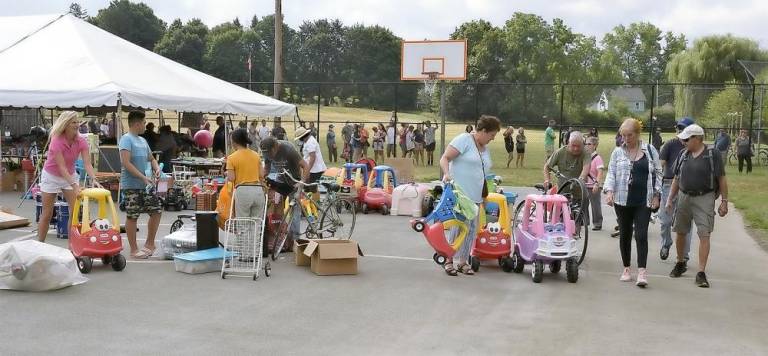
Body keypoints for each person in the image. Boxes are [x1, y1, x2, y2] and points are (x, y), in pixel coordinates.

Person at [666, 124, 729, 288]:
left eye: (687, 139)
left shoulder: (712, 154)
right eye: (683, 139)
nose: (684, 142)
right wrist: (669, 199)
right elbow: (676, 178)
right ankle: (680, 262)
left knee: (704, 234)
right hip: (684, 196)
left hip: (705, 197)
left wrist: (724, 201)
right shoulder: (683, 154)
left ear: (697, 139)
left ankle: (701, 272)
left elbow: (721, 179)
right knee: (680, 231)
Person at [439, 115, 501, 276]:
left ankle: (463, 261)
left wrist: (485, 198)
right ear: (483, 131)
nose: (492, 139)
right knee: (457, 226)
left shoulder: (485, 149)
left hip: (476, 197)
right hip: (459, 194)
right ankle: (448, 260)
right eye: (492, 135)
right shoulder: (464, 140)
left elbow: (482, 174)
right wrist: (446, 174)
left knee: (470, 229)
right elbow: (445, 158)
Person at [604, 118, 662, 288]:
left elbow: (659, 174)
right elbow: (611, 174)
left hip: (644, 200)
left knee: (641, 234)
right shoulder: (617, 152)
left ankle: (642, 271)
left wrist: (657, 195)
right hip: (622, 200)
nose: (626, 139)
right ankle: (626, 268)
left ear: (637, 134)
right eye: (623, 135)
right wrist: (609, 191)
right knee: (625, 234)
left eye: (629, 135)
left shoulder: (650, 151)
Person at [36, 111, 101, 243]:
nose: (77, 125)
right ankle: (39, 244)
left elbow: (88, 163)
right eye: (73, 122)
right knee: (47, 214)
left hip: (70, 175)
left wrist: (94, 178)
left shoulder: (81, 141)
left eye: (77, 122)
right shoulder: (56, 141)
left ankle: (73, 246)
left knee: (76, 211)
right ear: (65, 124)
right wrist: (75, 186)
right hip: (51, 176)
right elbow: (61, 167)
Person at [119, 111, 163, 259]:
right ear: (137, 124)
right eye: (144, 123)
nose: (145, 125)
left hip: (147, 184)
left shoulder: (143, 141)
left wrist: (156, 168)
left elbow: (151, 159)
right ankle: (134, 249)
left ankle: (150, 244)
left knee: (156, 210)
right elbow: (126, 163)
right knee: (132, 216)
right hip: (131, 184)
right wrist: (142, 177)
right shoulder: (126, 139)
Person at [261, 137, 311, 248]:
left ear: (275, 147)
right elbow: (267, 168)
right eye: (266, 154)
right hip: (281, 180)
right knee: (275, 207)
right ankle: (279, 237)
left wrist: (301, 183)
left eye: (270, 153)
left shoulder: (288, 149)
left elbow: (306, 166)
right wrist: (261, 177)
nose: (268, 155)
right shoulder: (266, 152)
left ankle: (295, 241)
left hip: (295, 182)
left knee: (295, 211)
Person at [658, 118, 694, 261]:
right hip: (668, 184)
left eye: (683, 128)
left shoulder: (695, 148)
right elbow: (660, 165)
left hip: (687, 187)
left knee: (686, 224)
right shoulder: (670, 145)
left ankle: (684, 254)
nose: (680, 130)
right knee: (665, 221)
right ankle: (666, 243)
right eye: (679, 128)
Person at [225, 128, 263, 218]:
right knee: (256, 223)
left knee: (242, 223)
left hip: (243, 191)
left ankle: (243, 233)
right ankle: (256, 233)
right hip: (258, 190)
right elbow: (261, 174)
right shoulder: (256, 155)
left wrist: (227, 173)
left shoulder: (231, 158)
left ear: (234, 141)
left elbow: (231, 178)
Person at [585, 136, 605, 231]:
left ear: (595, 145)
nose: (587, 146)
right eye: (586, 144)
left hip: (594, 185)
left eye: (589, 144)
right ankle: (584, 222)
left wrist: (597, 183)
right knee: (583, 204)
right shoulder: (585, 157)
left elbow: (600, 172)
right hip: (585, 185)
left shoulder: (597, 158)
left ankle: (597, 223)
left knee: (595, 205)